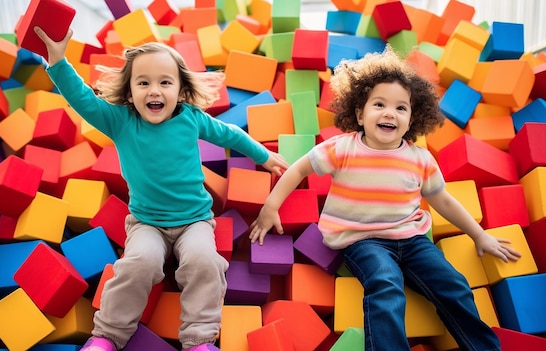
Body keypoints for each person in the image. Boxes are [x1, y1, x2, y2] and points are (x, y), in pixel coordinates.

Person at [248, 46, 521, 351]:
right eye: (379, 104)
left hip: (412, 239)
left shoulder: (420, 158)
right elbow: (300, 168)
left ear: (412, 120)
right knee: (385, 284)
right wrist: (271, 206)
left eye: (401, 108)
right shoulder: (343, 148)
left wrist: (479, 235)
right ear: (359, 114)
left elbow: (442, 200)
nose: (390, 113)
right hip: (362, 239)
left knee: (454, 285)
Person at [34, 26, 288, 351]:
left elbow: (230, 135)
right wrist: (57, 61)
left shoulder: (191, 119)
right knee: (139, 262)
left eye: (165, 82)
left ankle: (199, 340)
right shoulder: (120, 122)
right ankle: (107, 336)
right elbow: (81, 99)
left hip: (195, 220)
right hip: (146, 223)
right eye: (143, 83)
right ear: (129, 92)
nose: (154, 90)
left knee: (204, 262)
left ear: (180, 90)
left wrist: (263, 156)